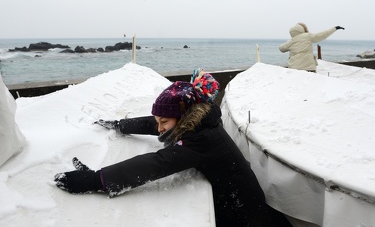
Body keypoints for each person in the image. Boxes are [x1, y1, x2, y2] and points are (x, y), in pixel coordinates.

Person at [54, 69, 291, 227]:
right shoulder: (199, 118)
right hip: (238, 196)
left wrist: (97, 180)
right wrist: (119, 125)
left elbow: (157, 163)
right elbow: (158, 121)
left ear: (182, 115)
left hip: (243, 209)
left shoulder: (201, 140)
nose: (159, 128)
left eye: (164, 122)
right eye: (159, 121)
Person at [279, 22, 345, 72]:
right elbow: (322, 35)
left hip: (294, 68)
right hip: (308, 68)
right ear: (302, 30)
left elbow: (281, 48)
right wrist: (335, 28)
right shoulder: (308, 36)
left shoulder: (290, 41)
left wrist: (290, 42)